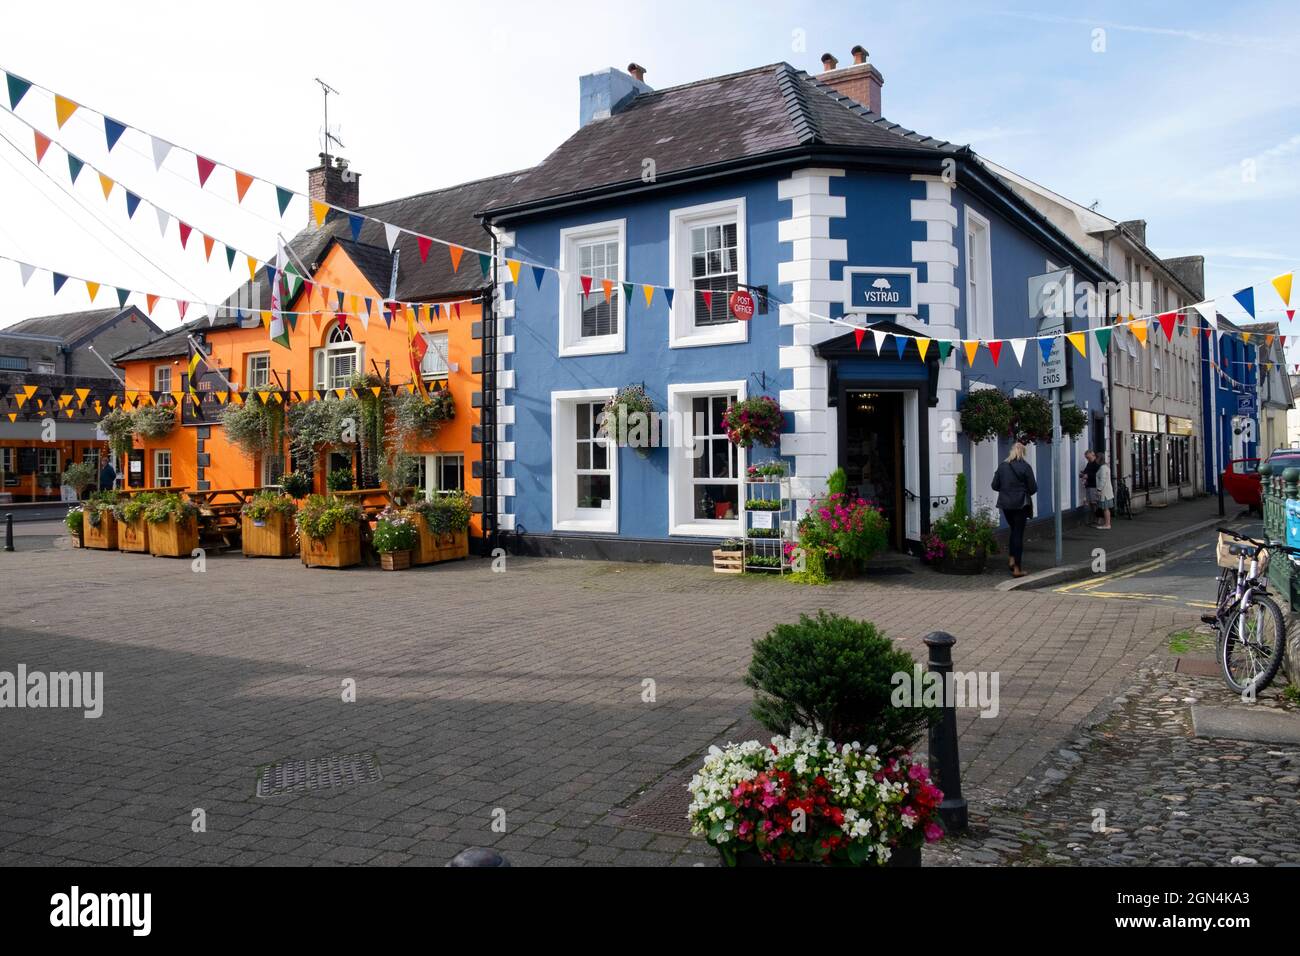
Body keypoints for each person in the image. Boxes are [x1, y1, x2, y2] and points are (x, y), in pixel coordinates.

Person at [992, 442, 1037, 578]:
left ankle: (1012, 558)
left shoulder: (1002, 466)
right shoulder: (1026, 467)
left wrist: (1007, 490)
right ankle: (1017, 569)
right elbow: (1033, 488)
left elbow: (994, 485)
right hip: (1020, 505)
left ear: (1012, 451)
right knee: (1018, 533)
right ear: (1023, 453)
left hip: (1006, 504)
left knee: (1013, 530)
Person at [1081, 451, 1101, 526]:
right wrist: (1083, 474)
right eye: (1086, 458)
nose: (1087, 459)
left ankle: (1098, 519)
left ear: (1093, 455)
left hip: (1094, 486)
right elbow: (1087, 471)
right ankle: (1094, 519)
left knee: (1095, 503)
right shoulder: (1089, 464)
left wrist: (1088, 476)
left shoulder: (1097, 464)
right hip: (1089, 485)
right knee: (1091, 503)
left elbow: (1098, 475)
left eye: (1088, 457)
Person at [1095, 452, 1114, 530]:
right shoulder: (1105, 467)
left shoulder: (1103, 468)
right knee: (1106, 508)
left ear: (1099, 458)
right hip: (1106, 490)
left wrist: (1099, 489)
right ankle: (1107, 523)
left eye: (1096, 458)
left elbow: (1102, 480)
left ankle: (1107, 524)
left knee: (1105, 508)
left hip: (1104, 491)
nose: (1095, 459)